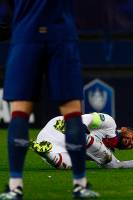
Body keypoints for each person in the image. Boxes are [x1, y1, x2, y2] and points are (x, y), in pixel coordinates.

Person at [0, 0, 98, 199]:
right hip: (61, 34)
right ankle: (80, 184)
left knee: (20, 110)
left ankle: (15, 186)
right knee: (72, 112)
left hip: (26, 33)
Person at [30, 113, 133, 169]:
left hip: (51, 143)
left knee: (67, 165)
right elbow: (90, 117)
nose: (131, 142)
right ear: (124, 129)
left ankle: (43, 151)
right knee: (105, 156)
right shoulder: (110, 123)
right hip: (60, 126)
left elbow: (117, 165)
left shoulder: (108, 151)